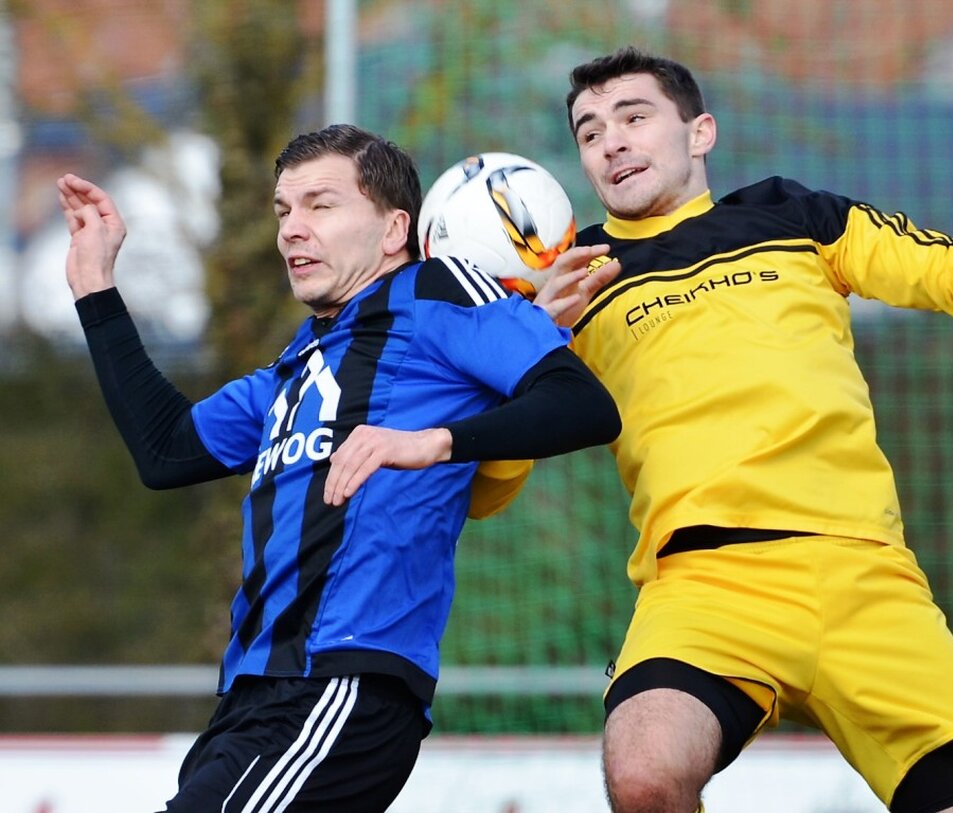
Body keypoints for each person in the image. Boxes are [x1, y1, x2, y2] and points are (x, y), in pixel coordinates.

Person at [58, 123, 620, 812]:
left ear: (393, 231)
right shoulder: (299, 362)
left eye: (321, 205)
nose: (293, 228)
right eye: (283, 210)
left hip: (340, 684)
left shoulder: (439, 291)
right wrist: (94, 287)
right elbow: (167, 450)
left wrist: (430, 441)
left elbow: (583, 404)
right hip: (251, 698)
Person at [534, 47, 953, 813]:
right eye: (590, 132)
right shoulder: (574, 286)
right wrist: (532, 336)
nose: (612, 141)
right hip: (705, 584)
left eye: (634, 117)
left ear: (700, 132)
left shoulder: (794, 214)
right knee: (643, 770)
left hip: (863, 573)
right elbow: (497, 463)